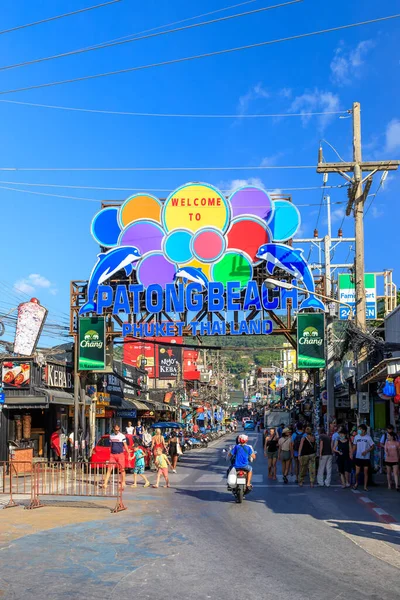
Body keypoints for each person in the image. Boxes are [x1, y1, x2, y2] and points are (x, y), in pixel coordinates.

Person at [102, 425, 132, 490]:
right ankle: (105, 483)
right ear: (113, 429)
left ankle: (123, 482)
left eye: (118, 430)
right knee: (109, 469)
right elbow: (111, 445)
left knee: (122, 469)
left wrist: (128, 454)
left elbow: (125, 445)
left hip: (120, 454)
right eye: (116, 430)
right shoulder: (111, 436)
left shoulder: (122, 436)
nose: (117, 431)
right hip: (112, 455)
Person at [352, 424, 374, 491]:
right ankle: (356, 483)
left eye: (360, 429)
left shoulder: (368, 438)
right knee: (357, 472)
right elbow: (354, 446)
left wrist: (367, 451)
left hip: (366, 458)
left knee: (365, 472)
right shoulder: (356, 437)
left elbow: (372, 446)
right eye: (359, 429)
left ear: (364, 430)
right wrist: (351, 453)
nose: (359, 430)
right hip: (358, 457)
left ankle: (365, 486)